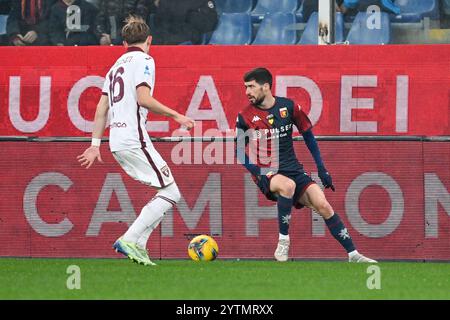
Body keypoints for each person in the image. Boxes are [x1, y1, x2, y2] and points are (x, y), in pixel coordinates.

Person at [77, 15, 195, 266]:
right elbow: (143, 98)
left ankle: (139, 245)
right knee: (171, 192)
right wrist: (177, 115)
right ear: (149, 40)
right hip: (134, 138)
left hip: (116, 141)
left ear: (123, 43)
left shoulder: (114, 67)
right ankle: (130, 238)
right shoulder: (145, 60)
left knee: (166, 191)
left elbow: (101, 109)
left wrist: (95, 145)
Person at [235, 67, 377, 263]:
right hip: (268, 172)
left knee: (323, 205)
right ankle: (283, 243)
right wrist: (258, 172)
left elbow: (309, 137)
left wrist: (322, 168)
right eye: (245, 87)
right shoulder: (245, 116)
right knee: (287, 186)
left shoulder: (289, 107)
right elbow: (238, 151)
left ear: (265, 86)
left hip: (293, 170)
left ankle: (353, 254)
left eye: (251, 87)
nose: (247, 92)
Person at [152, 0, 218, 45]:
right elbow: (158, 20)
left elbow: (210, 23)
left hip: (189, 38)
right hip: (164, 35)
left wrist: (191, 16)